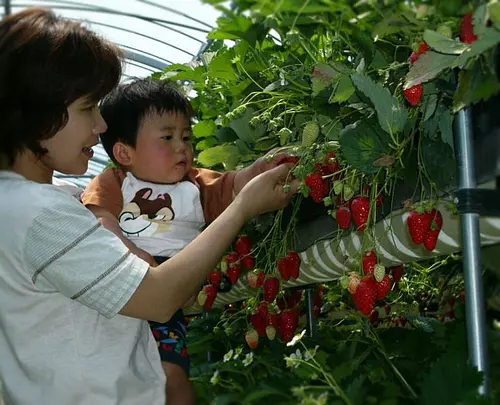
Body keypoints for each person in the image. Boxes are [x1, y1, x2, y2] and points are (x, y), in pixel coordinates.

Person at [0, 8, 298, 405]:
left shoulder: (23, 203)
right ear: (39, 111)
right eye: (88, 108)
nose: (101, 126)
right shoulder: (39, 214)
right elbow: (158, 300)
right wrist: (242, 207)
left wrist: (243, 181)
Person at [81, 78, 287, 405]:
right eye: (167, 137)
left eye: (186, 137)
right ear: (124, 152)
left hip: (172, 290)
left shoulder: (196, 184)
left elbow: (235, 186)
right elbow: (101, 222)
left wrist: (262, 168)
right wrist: (133, 253)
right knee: (117, 378)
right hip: (125, 287)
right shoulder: (116, 181)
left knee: (171, 372)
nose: (182, 146)